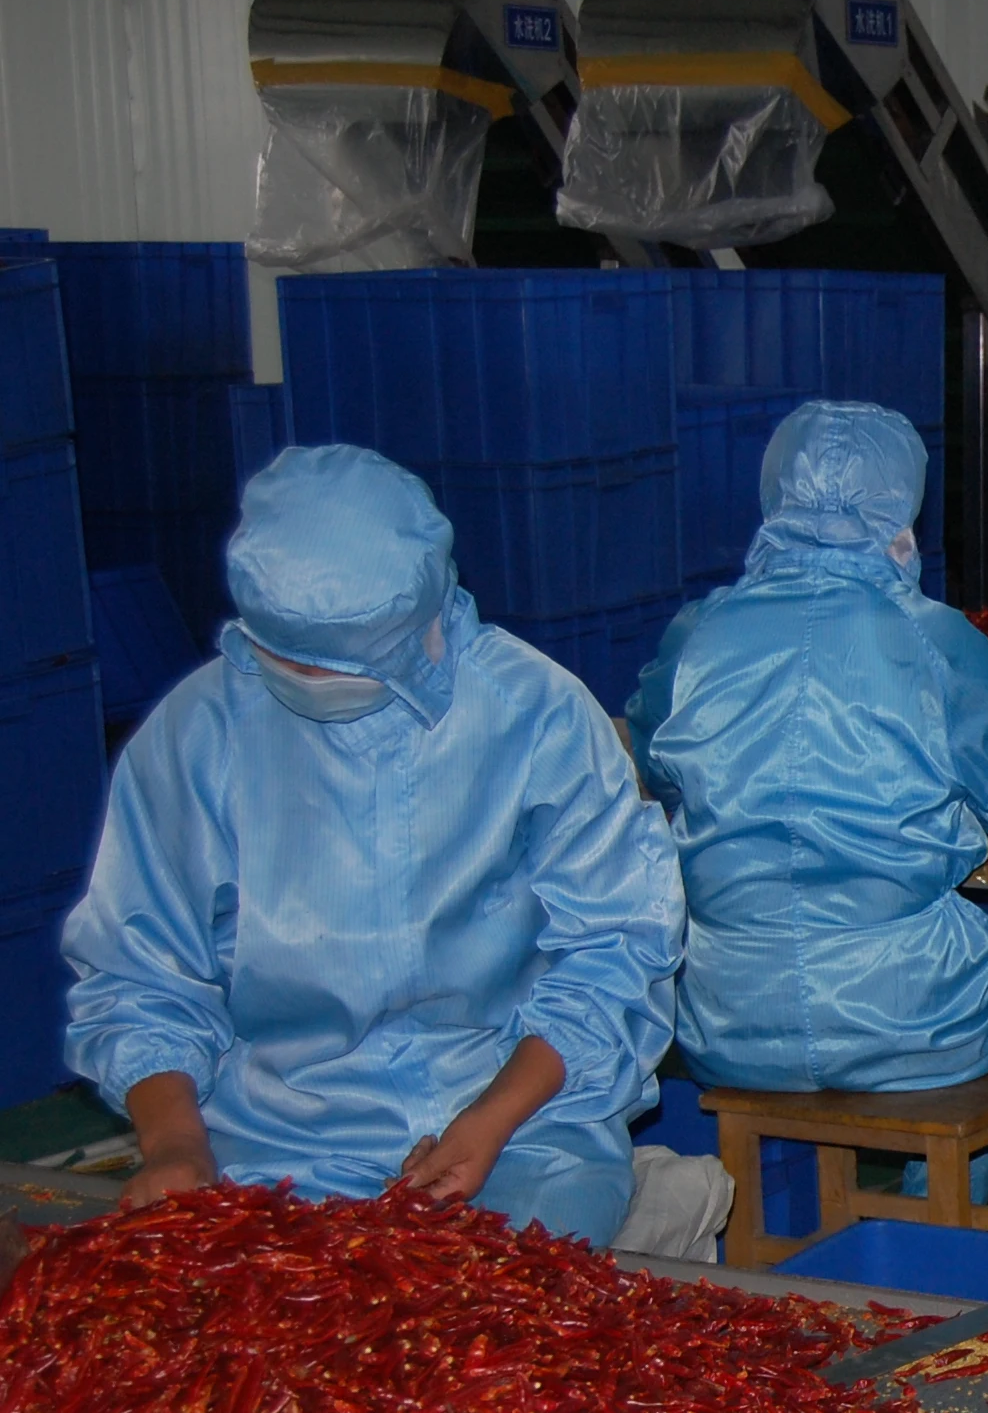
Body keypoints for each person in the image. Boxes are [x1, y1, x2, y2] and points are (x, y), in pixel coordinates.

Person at [63, 445, 685, 1245]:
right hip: (278, 1145)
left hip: (521, 1128)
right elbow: (140, 969)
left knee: (499, 1321)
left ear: (425, 619)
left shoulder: (535, 715)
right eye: (294, 663)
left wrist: (491, 1120)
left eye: (352, 669)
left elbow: (617, 945)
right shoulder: (199, 736)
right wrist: (178, 1144)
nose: (320, 686)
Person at [628, 403, 988, 1208]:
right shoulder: (933, 640)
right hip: (913, 1020)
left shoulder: (697, 635)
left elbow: (655, 761)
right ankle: (931, 1238)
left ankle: (827, 1235)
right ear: (900, 517)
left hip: (724, 1020)